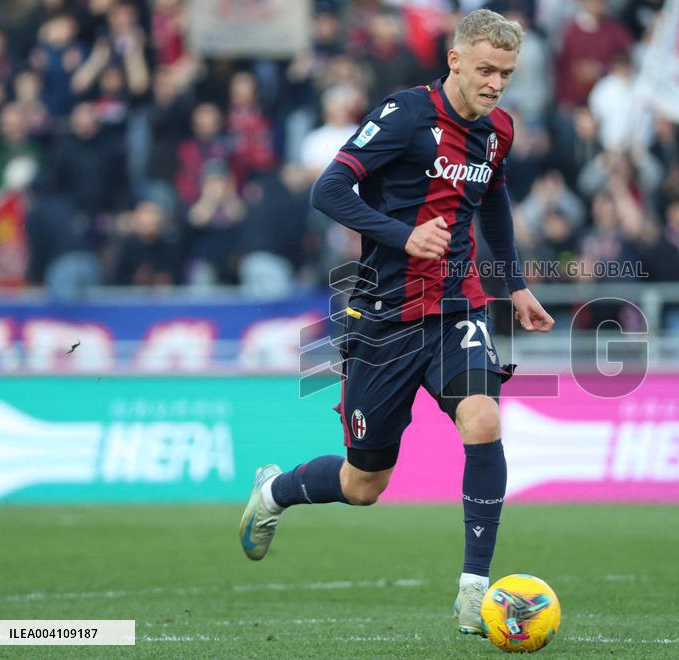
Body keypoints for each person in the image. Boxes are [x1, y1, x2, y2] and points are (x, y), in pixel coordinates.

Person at [237, 8, 554, 638]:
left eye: (506, 73)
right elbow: (328, 191)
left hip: (458, 307)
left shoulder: (498, 131)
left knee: (483, 419)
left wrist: (516, 284)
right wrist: (403, 236)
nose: (495, 84)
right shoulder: (405, 115)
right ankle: (275, 492)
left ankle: (474, 591)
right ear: (454, 60)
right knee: (363, 484)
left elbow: (492, 200)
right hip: (384, 317)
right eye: (485, 70)